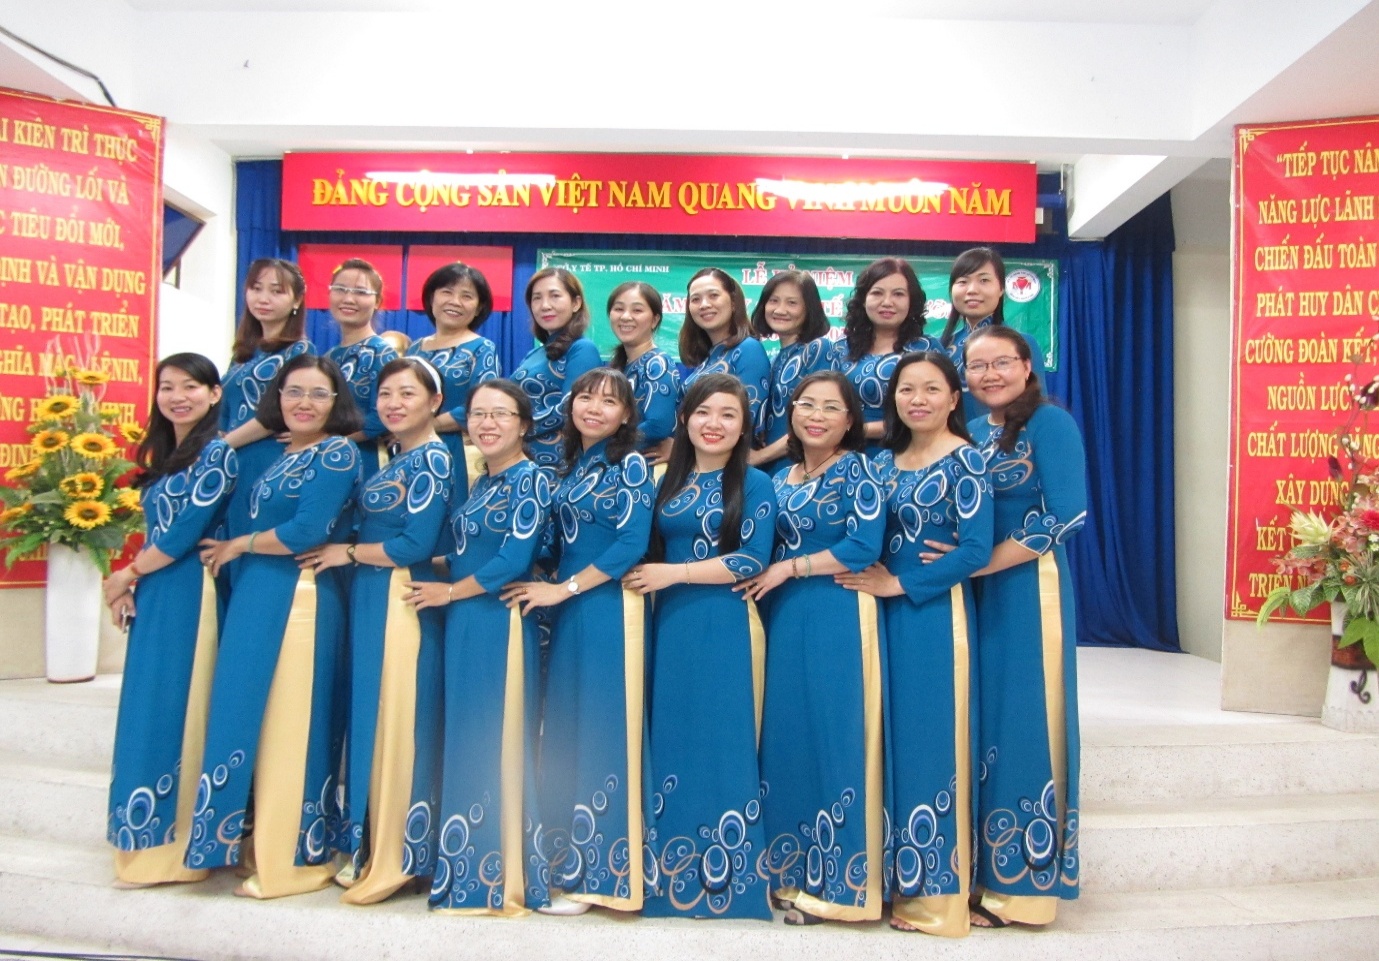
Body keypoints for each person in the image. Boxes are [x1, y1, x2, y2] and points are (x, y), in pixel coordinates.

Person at [186, 355, 362, 899]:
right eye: (293, 392)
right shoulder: (287, 454)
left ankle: (294, 858)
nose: (304, 403)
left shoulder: (336, 452)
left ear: (337, 403)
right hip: (261, 592)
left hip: (299, 596)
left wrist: (239, 544)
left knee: (294, 723)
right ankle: (252, 841)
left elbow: (307, 531)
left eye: (318, 393)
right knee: (251, 716)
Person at [835, 351, 993, 938]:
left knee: (931, 745)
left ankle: (937, 901)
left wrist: (900, 584)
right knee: (884, 742)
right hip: (876, 617)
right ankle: (885, 879)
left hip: (931, 617)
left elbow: (975, 549)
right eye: (907, 390)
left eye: (931, 389)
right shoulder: (881, 463)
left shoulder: (966, 461)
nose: (918, 400)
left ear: (955, 399)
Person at [300, 357, 457, 904]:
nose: (393, 403)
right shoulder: (397, 456)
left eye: (407, 394)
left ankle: (398, 854)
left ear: (434, 402)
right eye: (385, 394)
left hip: (400, 594)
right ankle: (368, 844)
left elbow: (416, 544)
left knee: (397, 719)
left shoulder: (432, 459)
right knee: (374, 715)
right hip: (372, 594)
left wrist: (346, 552)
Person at [624, 372, 777, 920]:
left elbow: (751, 559)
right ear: (684, 419)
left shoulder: (755, 483)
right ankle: (664, 872)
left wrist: (675, 573)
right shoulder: (663, 479)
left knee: (720, 739)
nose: (715, 424)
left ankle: (728, 881)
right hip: (666, 623)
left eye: (728, 415)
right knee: (669, 737)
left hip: (722, 622)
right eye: (704, 412)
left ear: (744, 426)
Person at [501, 368, 653, 915]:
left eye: (609, 401)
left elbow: (630, 544)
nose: (594, 407)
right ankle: (565, 861)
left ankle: (602, 878)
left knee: (600, 732)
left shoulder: (629, 464)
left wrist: (562, 589)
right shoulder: (571, 466)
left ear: (627, 415)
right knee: (566, 730)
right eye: (585, 397)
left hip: (606, 608)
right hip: (569, 609)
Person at [737, 370, 885, 925]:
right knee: (787, 739)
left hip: (834, 610)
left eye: (830, 407)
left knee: (832, 737)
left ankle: (841, 886)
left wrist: (790, 568)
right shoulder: (781, 477)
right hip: (783, 615)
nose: (816, 415)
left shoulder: (858, 470)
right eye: (806, 404)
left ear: (850, 421)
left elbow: (863, 545)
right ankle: (789, 871)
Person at [408, 380, 553, 915]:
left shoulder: (531, 479)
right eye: (478, 414)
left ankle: (500, 876)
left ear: (524, 424)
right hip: (466, 618)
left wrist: (447, 592)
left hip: (498, 620)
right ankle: (462, 867)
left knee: (497, 739)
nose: (487, 423)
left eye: (501, 414)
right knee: (467, 738)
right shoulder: (481, 482)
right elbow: (465, 554)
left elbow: (512, 561)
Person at [961, 326, 1086, 928]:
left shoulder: (1049, 424)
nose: (989, 374)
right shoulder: (973, 430)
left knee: (1023, 722)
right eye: (977, 365)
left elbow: (1066, 514)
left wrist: (978, 564)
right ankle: (980, 873)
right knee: (981, 725)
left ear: (1027, 365)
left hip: (1027, 589)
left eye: (1001, 363)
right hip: (975, 592)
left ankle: (1023, 888)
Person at [104, 353, 238, 886]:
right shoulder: (168, 455)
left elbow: (184, 534)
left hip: (191, 591)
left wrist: (125, 574)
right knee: (148, 707)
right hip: (158, 588)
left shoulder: (217, 453)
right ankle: (139, 839)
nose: (177, 396)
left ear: (214, 394)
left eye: (190, 386)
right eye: (167, 386)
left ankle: (178, 846)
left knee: (179, 708)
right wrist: (131, 582)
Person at [219, 259, 314, 548]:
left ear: (296, 300)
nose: (263, 298)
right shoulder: (244, 353)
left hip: (267, 459)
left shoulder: (299, 351)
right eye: (256, 288)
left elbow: (273, 415)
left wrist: (223, 445)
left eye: (276, 291)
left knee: (251, 541)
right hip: (231, 460)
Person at [406, 262, 501, 486]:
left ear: (478, 307)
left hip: (455, 449)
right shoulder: (415, 349)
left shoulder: (482, 348)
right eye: (447, 292)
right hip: (409, 446)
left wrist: (427, 426)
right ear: (431, 298)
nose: (455, 302)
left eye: (466, 296)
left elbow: (481, 404)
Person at [830, 257, 935, 452]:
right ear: (863, 300)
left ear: (911, 301)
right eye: (877, 293)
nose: (887, 302)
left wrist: (856, 430)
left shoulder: (926, 349)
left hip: (906, 453)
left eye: (898, 294)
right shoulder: (840, 349)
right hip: (843, 454)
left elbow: (936, 412)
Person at [936, 248, 1046, 420]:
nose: (972, 290)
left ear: (1001, 288)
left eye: (984, 280)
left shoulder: (1023, 343)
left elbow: (1036, 406)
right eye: (963, 281)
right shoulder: (940, 348)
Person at [510, 267, 602, 470]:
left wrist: (513, 427)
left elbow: (570, 408)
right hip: (522, 459)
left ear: (576, 303)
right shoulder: (534, 354)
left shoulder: (582, 349)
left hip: (556, 464)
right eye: (537, 298)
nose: (545, 305)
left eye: (555, 296)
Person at [748, 270, 836, 476]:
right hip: (771, 469)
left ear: (809, 309)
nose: (780, 310)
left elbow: (818, 418)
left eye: (792, 303)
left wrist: (760, 456)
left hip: (803, 469)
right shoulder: (774, 359)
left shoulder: (817, 349)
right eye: (773, 301)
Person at [325, 258, 398, 479]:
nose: (348, 299)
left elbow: (383, 416)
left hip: (363, 460)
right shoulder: (330, 356)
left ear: (377, 301)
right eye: (340, 289)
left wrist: (326, 442)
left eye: (360, 292)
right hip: (324, 459)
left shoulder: (381, 353)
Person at [678, 268, 770, 432]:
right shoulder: (709, 356)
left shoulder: (748, 349)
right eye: (696, 299)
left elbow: (748, 421)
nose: (704, 305)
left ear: (733, 302)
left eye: (713, 295)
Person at [607, 281, 680, 465]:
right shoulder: (619, 366)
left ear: (654, 320)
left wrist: (604, 446)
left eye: (637, 310)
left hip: (642, 469)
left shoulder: (658, 363)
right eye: (619, 309)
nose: (626, 317)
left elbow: (658, 425)